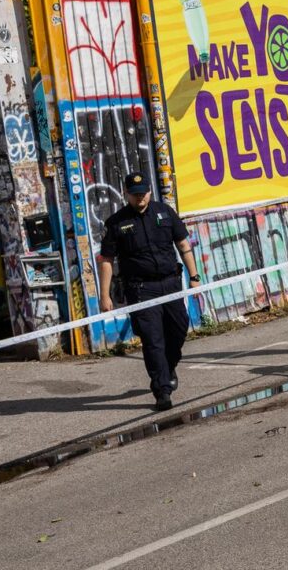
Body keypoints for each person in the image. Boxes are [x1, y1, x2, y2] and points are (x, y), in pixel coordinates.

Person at [99, 171, 200, 411]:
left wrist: (194, 276)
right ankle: (162, 390)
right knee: (152, 339)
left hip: (170, 283)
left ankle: (168, 365)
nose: (139, 198)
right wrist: (104, 295)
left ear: (150, 191)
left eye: (143, 193)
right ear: (126, 194)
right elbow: (107, 260)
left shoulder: (164, 213)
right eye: (134, 195)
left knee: (178, 328)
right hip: (141, 289)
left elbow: (183, 244)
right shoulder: (116, 223)